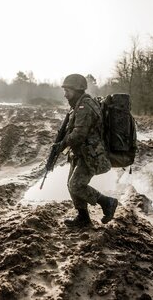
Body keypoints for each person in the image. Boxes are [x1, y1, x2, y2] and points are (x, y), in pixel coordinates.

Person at [57, 73, 118, 228]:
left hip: (90, 154)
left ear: (77, 90)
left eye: (67, 91)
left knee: (76, 185)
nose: (65, 95)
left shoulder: (85, 106)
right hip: (81, 152)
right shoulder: (78, 105)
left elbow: (79, 134)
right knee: (71, 184)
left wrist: (62, 144)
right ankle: (83, 218)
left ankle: (107, 202)